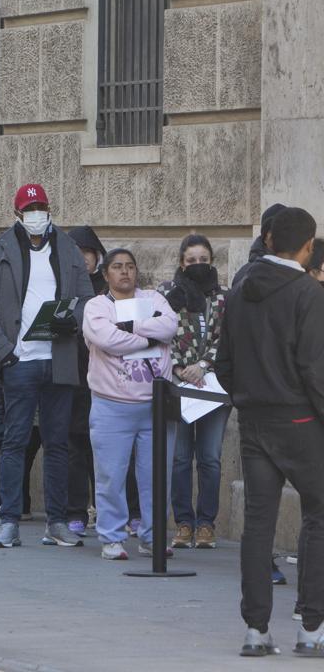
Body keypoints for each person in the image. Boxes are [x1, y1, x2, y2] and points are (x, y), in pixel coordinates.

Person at [215, 207, 324, 657]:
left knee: (258, 525)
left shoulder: (240, 287)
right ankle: (312, 627)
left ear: (269, 237)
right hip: (300, 419)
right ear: (307, 246)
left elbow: (224, 362)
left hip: (253, 418)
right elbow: (314, 369)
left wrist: (247, 393)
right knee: (318, 516)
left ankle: (255, 630)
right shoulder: (307, 292)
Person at [0, 183, 94, 548]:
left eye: (40, 206)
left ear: (49, 209)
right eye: (29, 208)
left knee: (58, 443)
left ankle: (56, 522)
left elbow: (86, 300)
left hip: (57, 358)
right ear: (17, 214)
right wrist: (6, 352)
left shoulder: (68, 248)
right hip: (20, 360)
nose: (36, 214)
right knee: (15, 441)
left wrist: (69, 318)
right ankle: (9, 519)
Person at [82, 248, 178, 561]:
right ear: (106, 273)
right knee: (111, 476)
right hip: (112, 406)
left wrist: (132, 327)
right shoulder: (97, 306)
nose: (125, 272)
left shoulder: (154, 299)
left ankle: (154, 537)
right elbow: (108, 339)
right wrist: (150, 337)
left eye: (130, 266)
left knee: (156, 477)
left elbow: (170, 325)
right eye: (118, 267)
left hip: (156, 406)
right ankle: (111, 537)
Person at [157, 234, 229, 550]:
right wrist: (177, 368)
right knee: (181, 458)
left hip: (214, 386)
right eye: (191, 260)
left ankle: (207, 525)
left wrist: (203, 364)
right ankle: (184, 523)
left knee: (210, 459)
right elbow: (160, 334)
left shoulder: (225, 297)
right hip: (178, 386)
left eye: (203, 260)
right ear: (181, 263)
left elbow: (227, 337)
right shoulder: (167, 295)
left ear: (211, 261)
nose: (197, 265)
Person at [65, 226, 108, 536]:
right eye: (76, 255)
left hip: (107, 379)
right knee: (75, 446)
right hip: (74, 376)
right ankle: (76, 510)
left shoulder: (107, 290)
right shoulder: (63, 289)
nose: (83, 261)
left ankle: (107, 511)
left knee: (105, 450)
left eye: (87, 254)